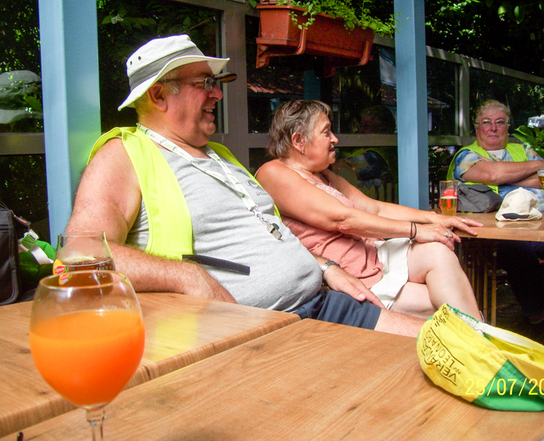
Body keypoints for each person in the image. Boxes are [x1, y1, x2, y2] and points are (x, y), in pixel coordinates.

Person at [65, 34, 443, 338]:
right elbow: (79, 254)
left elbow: (267, 234)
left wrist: (324, 266)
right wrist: (188, 276)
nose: (217, 93)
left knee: (452, 352)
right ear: (160, 95)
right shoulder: (125, 154)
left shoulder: (220, 155)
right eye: (204, 84)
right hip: (260, 331)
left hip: (323, 302)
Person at [255, 100, 483, 322]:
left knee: (438, 251)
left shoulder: (324, 174)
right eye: (326, 132)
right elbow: (342, 219)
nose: (335, 139)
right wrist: (416, 231)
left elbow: (375, 207)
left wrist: (435, 219)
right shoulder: (273, 172)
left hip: (373, 254)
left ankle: (483, 344)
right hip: (351, 275)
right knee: (451, 311)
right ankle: (483, 345)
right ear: (298, 141)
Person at [447, 99, 544, 326]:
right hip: (498, 234)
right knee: (517, 251)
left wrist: (509, 175)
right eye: (487, 122)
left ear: (507, 127)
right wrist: (535, 167)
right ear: (477, 128)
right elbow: (493, 175)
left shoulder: (520, 148)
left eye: (500, 122)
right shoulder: (467, 156)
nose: (493, 128)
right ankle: (535, 316)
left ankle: (539, 310)